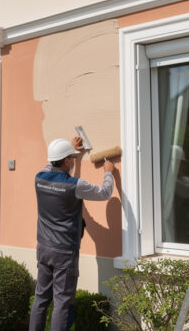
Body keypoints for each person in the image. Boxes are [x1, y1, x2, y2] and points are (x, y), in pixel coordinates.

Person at [29, 136, 115, 331]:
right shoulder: (75, 185)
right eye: (72, 158)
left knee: (41, 298)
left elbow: (53, 167)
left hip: (43, 248)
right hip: (64, 253)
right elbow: (104, 193)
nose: (74, 161)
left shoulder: (39, 178)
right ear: (67, 161)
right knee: (62, 303)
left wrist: (68, 150)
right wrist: (108, 173)